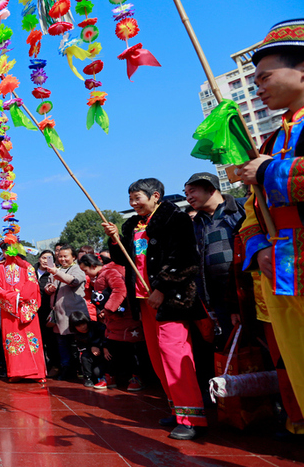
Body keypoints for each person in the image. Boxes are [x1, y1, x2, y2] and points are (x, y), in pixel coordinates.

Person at [235, 20, 304, 437]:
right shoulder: (268, 142)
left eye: (265, 76)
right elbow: (249, 210)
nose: (258, 87)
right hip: (281, 266)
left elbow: (270, 178)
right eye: (253, 79)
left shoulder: (269, 155)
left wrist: (271, 172)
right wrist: (258, 243)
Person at [104, 178, 209, 440]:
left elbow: (185, 257)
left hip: (169, 299)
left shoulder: (175, 218)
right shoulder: (131, 225)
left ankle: (192, 418)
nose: (133, 203)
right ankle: (177, 409)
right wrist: (115, 240)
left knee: (175, 354)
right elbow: (121, 260)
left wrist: (163, 287)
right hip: (142, 301)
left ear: (155, 195)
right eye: (130, 198)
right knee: (157, 357)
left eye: (137, 197)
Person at [185, 171, 246, 397]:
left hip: (245, 292)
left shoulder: (240, 210)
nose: (189, 197)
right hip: (217, 299)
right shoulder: (196, 222)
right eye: (186, 193)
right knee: (232, 349)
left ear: (211, 189)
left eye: (193, 191)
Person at [78, 254, 145, 391]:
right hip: (113, 320)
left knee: (131, 352)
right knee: (113, 351)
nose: (86, 274)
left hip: (125, 318)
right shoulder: (101, 275)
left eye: (85, 271)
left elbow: (120, 290)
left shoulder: (110, 272)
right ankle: (110, 376)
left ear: (93, 265)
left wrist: (108, 308)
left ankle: (136, 377)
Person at [0, 246, 46, 381]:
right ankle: (15, 373)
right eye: (4, 248)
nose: (7, 251)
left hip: (26, 308)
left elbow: (33, 285)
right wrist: (13, 297)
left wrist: (21, 298)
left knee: (32, 341)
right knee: (12, 343)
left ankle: (38, 374)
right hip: (9, 311)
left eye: (10, 247)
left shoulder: (28, 267)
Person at [42, 245, 87, 380]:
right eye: (60, 256)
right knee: (62, 345)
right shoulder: (55, 270)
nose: (62, 259)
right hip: (59, 315)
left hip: (74, 315)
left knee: (77, 345)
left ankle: (81, 370)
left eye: (65, 256)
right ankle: (66, 369)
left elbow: (73, 281)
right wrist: (49, 288)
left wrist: (56, 272)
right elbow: (48, 287)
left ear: (73, 257)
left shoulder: (77, 268)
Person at [68, 311, 107, 388]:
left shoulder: (97, 326)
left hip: (104, 353)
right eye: (78, 326)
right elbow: (80, 347)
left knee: (98, 372)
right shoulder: (76, 335)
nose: (82, 327)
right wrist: (91, 348)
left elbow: (106, 337)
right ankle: (88, 378)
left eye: (83, 324)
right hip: (91, 356)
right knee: (85, 357)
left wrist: (102, 347)